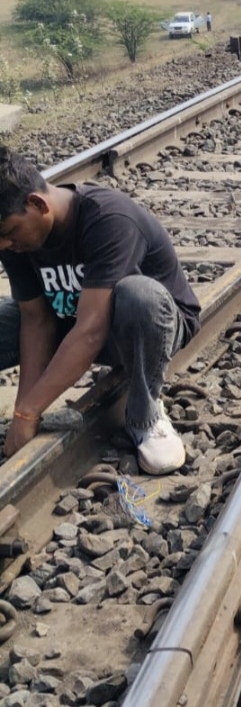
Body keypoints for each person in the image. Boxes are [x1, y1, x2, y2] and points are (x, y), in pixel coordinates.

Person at [0, 149, 201, 474]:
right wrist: (24, 411)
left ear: (37, 204)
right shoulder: (16, 240)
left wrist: (30, 411)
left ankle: (145, 416)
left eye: (8, 233)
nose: (4, 245)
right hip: (74, 320)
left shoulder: (107, 217)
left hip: (144, 325)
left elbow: (91, 331)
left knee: (138, 294)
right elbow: (35, 320)